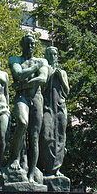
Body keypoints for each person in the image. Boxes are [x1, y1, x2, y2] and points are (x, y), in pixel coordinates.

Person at [8, 32, 49, 182]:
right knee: (22, 122)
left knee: (35, 136)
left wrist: (23, 84)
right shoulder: (15, 59)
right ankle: (14, 159)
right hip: (21, 97)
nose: (31, 46)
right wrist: (34, 68)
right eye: (28, 43)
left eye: (33, 44)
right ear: (22, 44)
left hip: (36, 98)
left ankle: (31, 173)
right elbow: (18, 74)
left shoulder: (42, 61)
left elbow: (43, 79)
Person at [39, 46, 69, 176]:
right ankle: (46, 166)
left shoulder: (62, 72)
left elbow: (67, 91)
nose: (52, 57)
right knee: (46, 135)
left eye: (54, 54)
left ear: (57, 56)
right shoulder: (44, 71)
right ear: (46, 56)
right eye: (49, 54)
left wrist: (60, 77)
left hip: (60, 107)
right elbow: (40, 88)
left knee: (60, 138)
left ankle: (56, 169)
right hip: (47, 107)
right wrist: (50, 75)